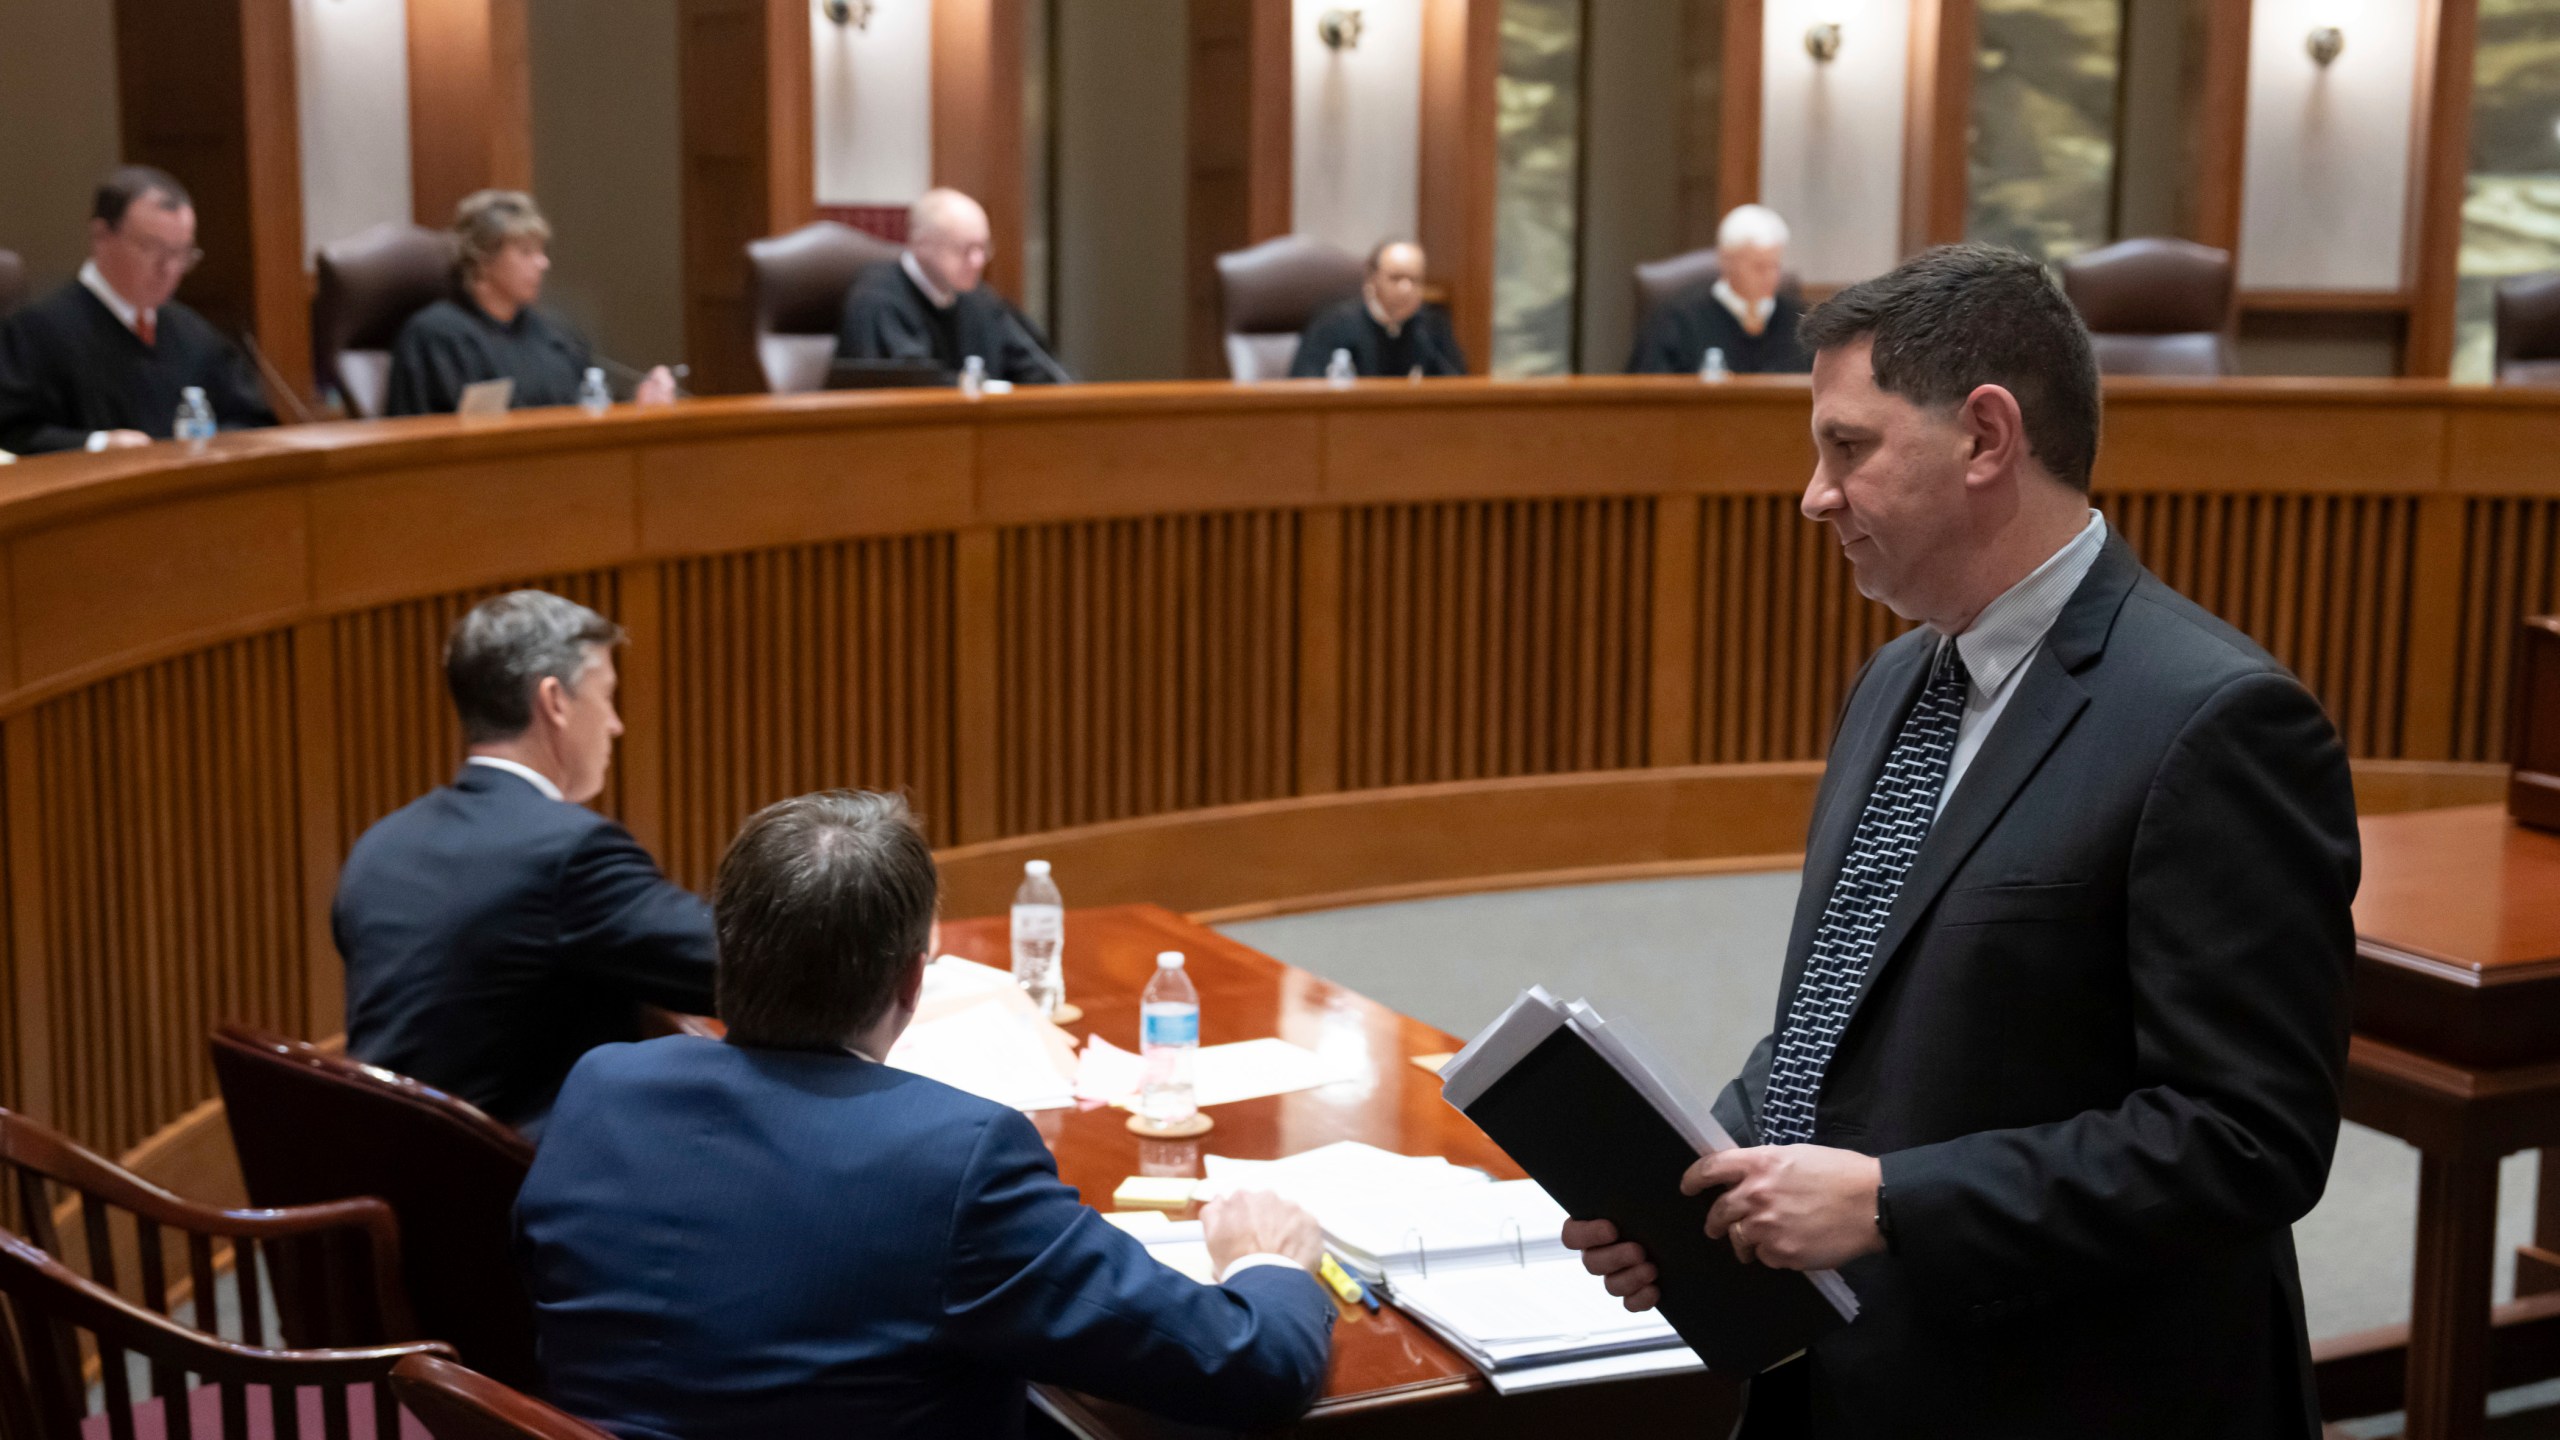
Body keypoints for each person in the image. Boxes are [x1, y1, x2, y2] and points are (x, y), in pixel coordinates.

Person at [1563, 245, 2359, 1439]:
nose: (1812, 495)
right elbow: (1852, 1008)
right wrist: (1699, 1177)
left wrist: (1894, 1204)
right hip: (1844, 1367)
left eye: (1848, 447)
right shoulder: (1898, 677)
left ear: (1986, 437)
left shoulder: (2216, 722)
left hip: (2066, 1391)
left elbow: (2246, 1141)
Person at [515, 790, 1335, 1440]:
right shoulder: (953, 1157)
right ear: (913, 984)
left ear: (726, 951)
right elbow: (1249, 1372)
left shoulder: (602, 1089)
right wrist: (1269, 1266)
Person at [334, 590, 716, 1137]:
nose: (615, 725)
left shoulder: (380, 846)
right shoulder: (567, 852)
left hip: (388, 1180)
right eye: (607, 697)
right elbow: (735, 965)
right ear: (555, 701)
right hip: (507, 1193)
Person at [0, 166, 274, 455]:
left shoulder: (194, 333)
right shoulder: (36, 331)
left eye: (181, 253)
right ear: (101, 236)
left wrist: (208, 444)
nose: (168, 269)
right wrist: (98, 444)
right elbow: (12, 433)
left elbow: (252, 420)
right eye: (151, 248)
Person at [383, 190, 676, 416]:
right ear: (483, 259)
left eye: (541, 251)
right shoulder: (435, 338)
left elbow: (589, 414)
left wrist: (638, 407)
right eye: (525, 252)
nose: (543, 263)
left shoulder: (555, 336)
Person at [835, 188, 1065, 384]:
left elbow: (1036, 368)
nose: (978, 262)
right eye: (963, 249)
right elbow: (911, 385)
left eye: (983, 248)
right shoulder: (877, 299)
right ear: (921, 245)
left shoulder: (981, 301)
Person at [1627, 204, 1811, 375]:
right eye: (1759, 267)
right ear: (1726, 262)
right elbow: (1645, 393)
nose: (1770, 276)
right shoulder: (1679, 321)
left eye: (1774, 265)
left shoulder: (1800, 322)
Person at [1288, 239, 1466, 378]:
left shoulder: (1431, 328)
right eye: (1396, 278)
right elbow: (1304, 389)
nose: (1406, 289)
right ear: (1372, 279)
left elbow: (1459, 389)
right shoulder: (1332, 324)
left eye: (1415, 280)